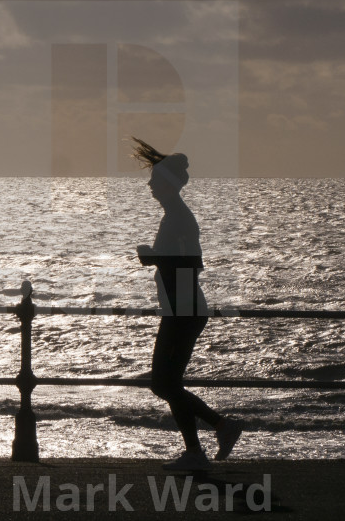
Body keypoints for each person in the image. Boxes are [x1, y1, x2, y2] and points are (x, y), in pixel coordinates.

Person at [131, 137, 244, 470]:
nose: (149, 185)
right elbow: (184, 262)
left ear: (167, 185)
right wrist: (157, 259)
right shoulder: (175, 217)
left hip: (184, 309)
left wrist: (154, 258)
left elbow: (189, 266)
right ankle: (197, 451)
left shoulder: (179, 218)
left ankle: (220, 429)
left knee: (163, 383)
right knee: (168, 384)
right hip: (181, 308)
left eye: (154, 180)